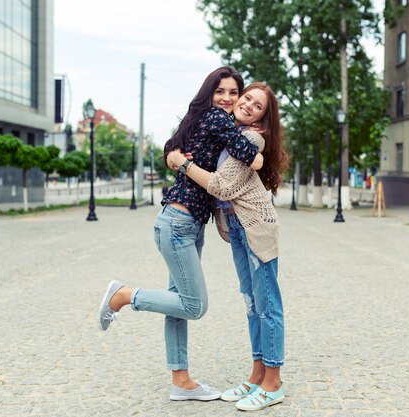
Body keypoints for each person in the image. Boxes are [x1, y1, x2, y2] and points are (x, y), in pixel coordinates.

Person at [96, 66, 264, 401]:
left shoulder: (200, 119)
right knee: (195, 305)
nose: (228, 98)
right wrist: (257, 154)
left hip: (184, 224)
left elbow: (171, 149)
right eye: (222, 91)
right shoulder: (217, 119)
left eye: (234, 92)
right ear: (210, 93)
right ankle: (125, 295)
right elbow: (248, 156)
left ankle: (181, 381)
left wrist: (176, 158)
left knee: (177, 305)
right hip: (178, 224)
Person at [166, 82, 289, 411]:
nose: (248, 104)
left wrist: (182, 164)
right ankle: (256, 376)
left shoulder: (251, 138)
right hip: (237, 226)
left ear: (262, 117)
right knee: (251, 303)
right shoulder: (229, 133)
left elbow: (221, 185)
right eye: (246, 97)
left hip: (256, 227)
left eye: (257, 105)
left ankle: (273, 383)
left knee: (267, 304)